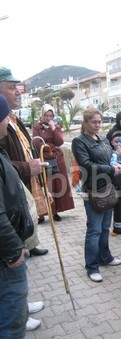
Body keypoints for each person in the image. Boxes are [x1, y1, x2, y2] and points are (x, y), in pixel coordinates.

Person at [0, 95, 40, 339]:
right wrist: (15, 250)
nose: (8, 119)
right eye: (5, 115)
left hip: (10, 249)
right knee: (10, 331)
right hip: (7, 259)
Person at [0, 67, 48, 256]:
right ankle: (20, 250)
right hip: (12, 187)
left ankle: (29, 244)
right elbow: (3, 164)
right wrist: (27, 167)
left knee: (29, 214)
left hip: (25, 180)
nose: (17, 92)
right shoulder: (1, 121)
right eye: (12, 87)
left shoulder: (12, 117)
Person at [71, 107, 121, 283]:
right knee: (94, 230)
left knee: (105, 227)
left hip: (108, 188)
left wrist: (117, 164)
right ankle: (92, 266)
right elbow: (86, 165)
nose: (98, 125)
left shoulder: (102, 139)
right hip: (93, 190)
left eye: (100, 121)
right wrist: (110, 169)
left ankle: (105, 257)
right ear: (85, 123)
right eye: (94, 122)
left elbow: (110, 158)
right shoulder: (79, 141)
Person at [32, 104, 75, 221]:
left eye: (51, 115)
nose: (48, 118)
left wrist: (53, 128)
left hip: (56, 159)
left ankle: (55, 212)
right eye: (46, 115)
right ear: (42, 115)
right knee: (44, 185)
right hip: (43, 159)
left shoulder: (56, 127)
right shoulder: (37, 128)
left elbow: (59, 141)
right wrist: (49, 147)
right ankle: (42, 213)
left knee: (57, 185)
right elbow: (36, 143)